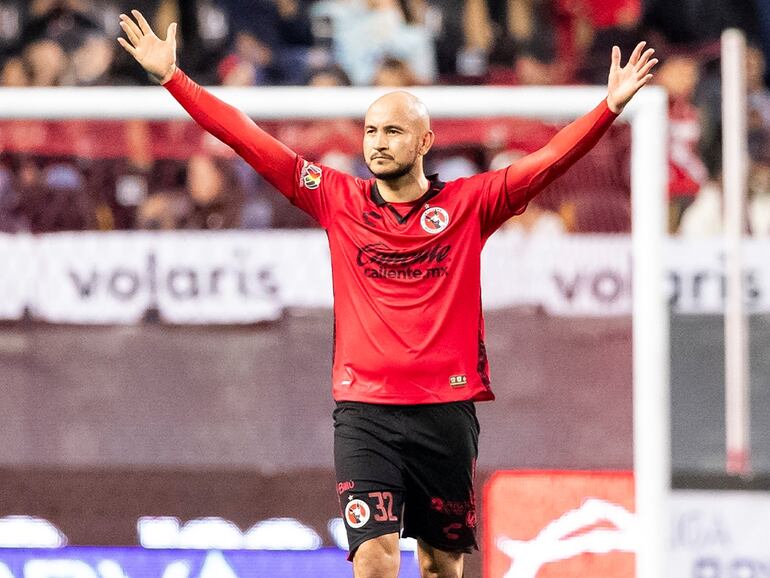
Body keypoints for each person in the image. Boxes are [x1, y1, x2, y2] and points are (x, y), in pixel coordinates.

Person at [117, 10, 657, 577]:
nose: (378, 142)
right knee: (374, 561)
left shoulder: (470, 204)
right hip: (365, 413)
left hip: (445, 413)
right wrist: (173, 77)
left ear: (425, 140)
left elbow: (548, 161)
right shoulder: (335, 197)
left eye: (393, 131)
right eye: (372, 131)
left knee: (438, 567)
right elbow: (246, 137)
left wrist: (609, 107)